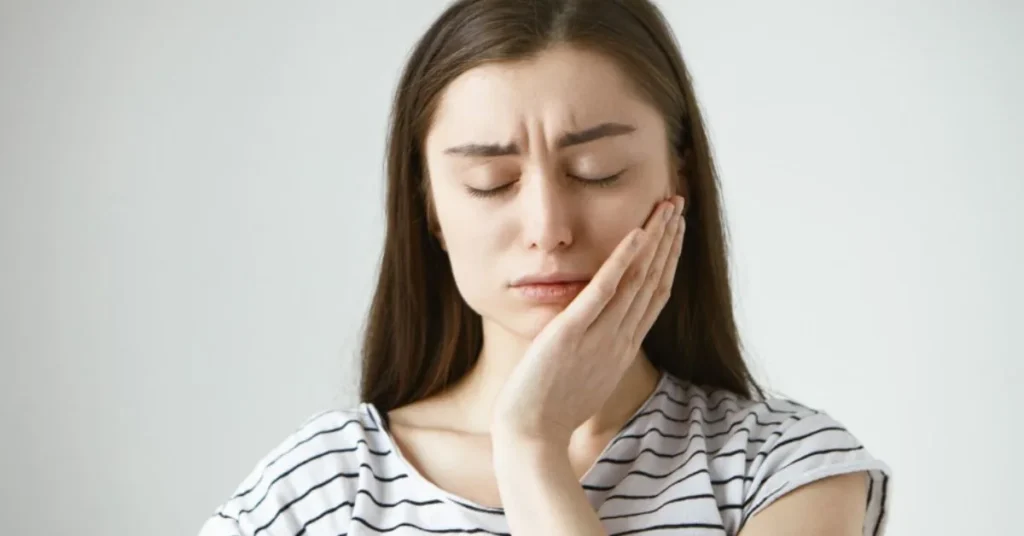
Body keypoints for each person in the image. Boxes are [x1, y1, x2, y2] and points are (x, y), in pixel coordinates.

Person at [198, 0, 891, 534]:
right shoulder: (325, 489)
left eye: (597, 171)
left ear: (678, 177)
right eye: (491, 183)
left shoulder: (782, 468)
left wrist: (533, 450)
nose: (548, 230)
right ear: (430, 207)